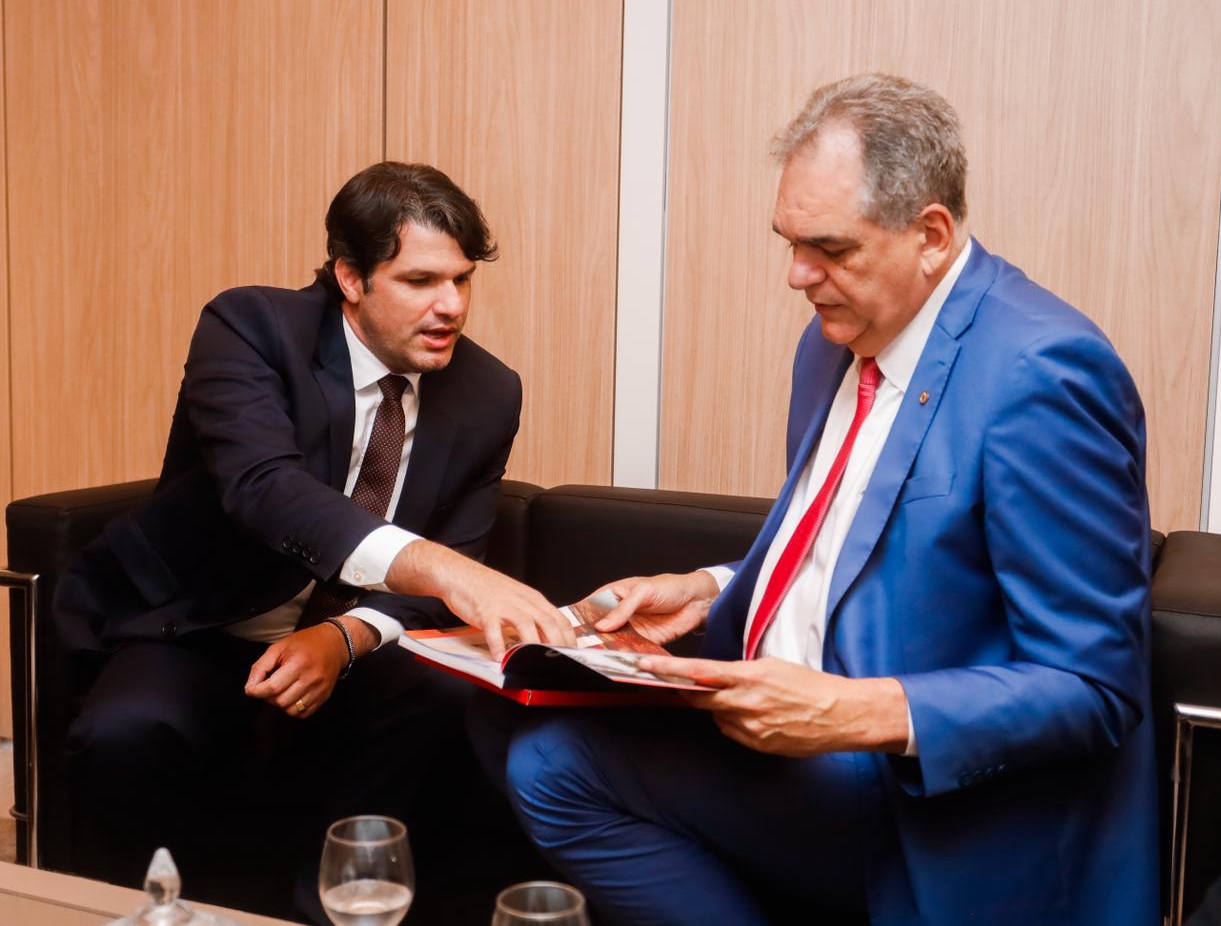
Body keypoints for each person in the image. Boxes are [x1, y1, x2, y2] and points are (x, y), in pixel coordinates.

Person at [481, 75, 1159, 925]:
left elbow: (1094, 685)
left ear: (932, 236)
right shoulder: (837, 339)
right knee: (494, 712)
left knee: (554, 765)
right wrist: (711, 588)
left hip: (919, 794)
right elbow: (860, 548)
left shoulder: (1041, 374)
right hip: (798, 736)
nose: (799, 276)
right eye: (791, 243)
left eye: (831, 249)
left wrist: (854, 713)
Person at [54, 161, 573, 919]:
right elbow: (264, 487)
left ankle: (328, 908)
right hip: (201, 623)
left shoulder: (488, 391)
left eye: (462, 280)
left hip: (355, 641)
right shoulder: (252, 328)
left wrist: (343, 638)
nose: (452, 306)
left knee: (442, 697)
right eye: (421, 281)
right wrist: (442, 569)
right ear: (350, 277)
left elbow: (452, 561)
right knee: (127, 732)